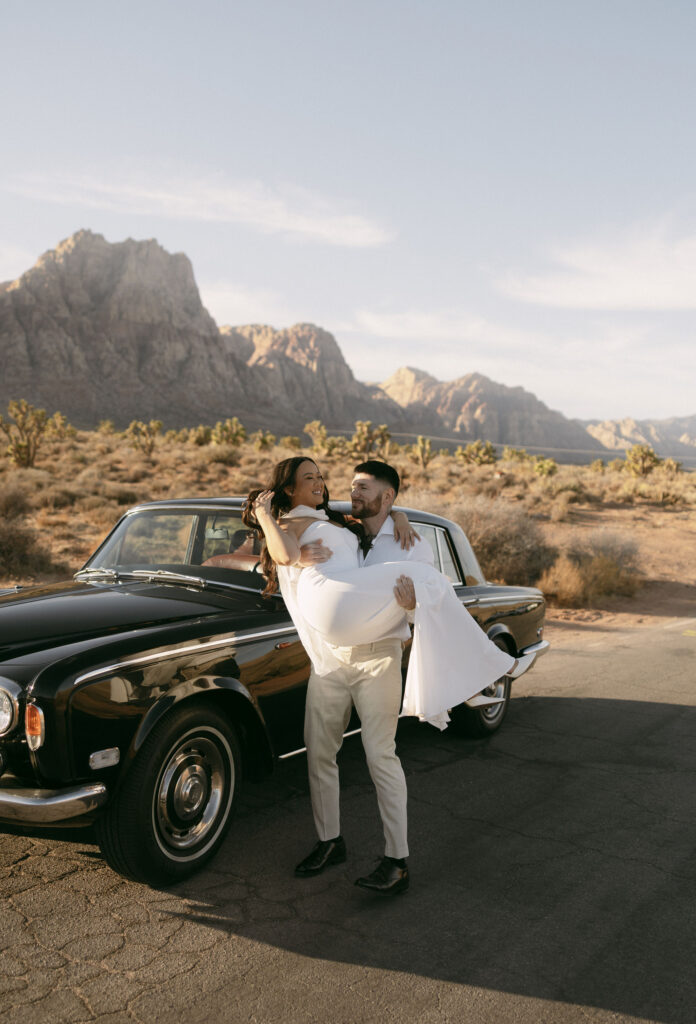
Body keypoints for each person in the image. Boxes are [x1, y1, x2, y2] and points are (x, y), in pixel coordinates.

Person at [243, 458, 529, 895]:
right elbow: (300, 514)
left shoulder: (409, 541)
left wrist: (412, 598)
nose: (350, 493)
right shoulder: (349, 526)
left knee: (381, 755)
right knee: (320, 753)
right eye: (351, 487)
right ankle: (329, 841)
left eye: (363, 489)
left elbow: (415, 616)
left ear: (388, 496)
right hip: (330, 659)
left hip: (378, 657)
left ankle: (396, 859)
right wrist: (297, 549)